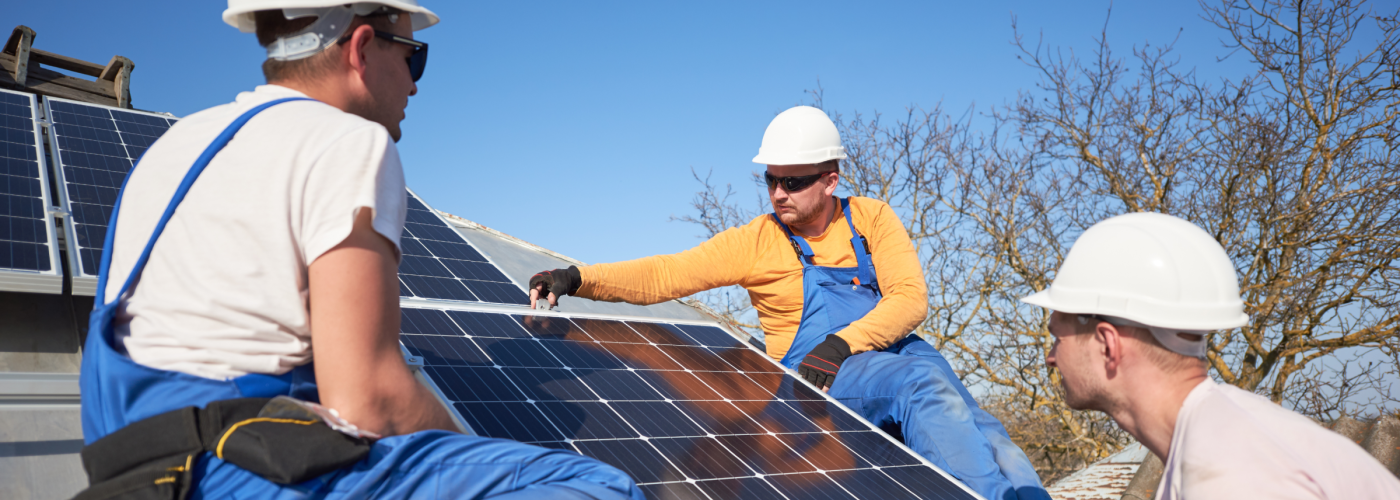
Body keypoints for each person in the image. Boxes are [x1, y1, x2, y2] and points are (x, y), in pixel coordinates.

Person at [76, 1, 639, 498]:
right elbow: (372, 398)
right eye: (414, 57)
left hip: (132, 472)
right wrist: (474, 455)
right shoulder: (345, 140)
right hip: (242, 470)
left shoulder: (173, 146)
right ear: (363, 47)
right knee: (596, 485)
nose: (416, 83)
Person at [529, 106, 1049, 500]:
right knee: (921, 387)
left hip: (888, 350)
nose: (779, 193)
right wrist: (578, 277)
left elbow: (910, 299)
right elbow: (669, 273)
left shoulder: (870, 218)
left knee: (985, 429)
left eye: (794, 182)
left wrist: (844, 340)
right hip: (815, 375)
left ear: (830, 179)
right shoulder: (757, 240)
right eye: (771, 179)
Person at [1022, 212, 1400, 499]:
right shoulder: (1223, 433)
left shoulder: (1229, 476)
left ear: (1108, 345)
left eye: (1057, 338)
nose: (1051, 357)